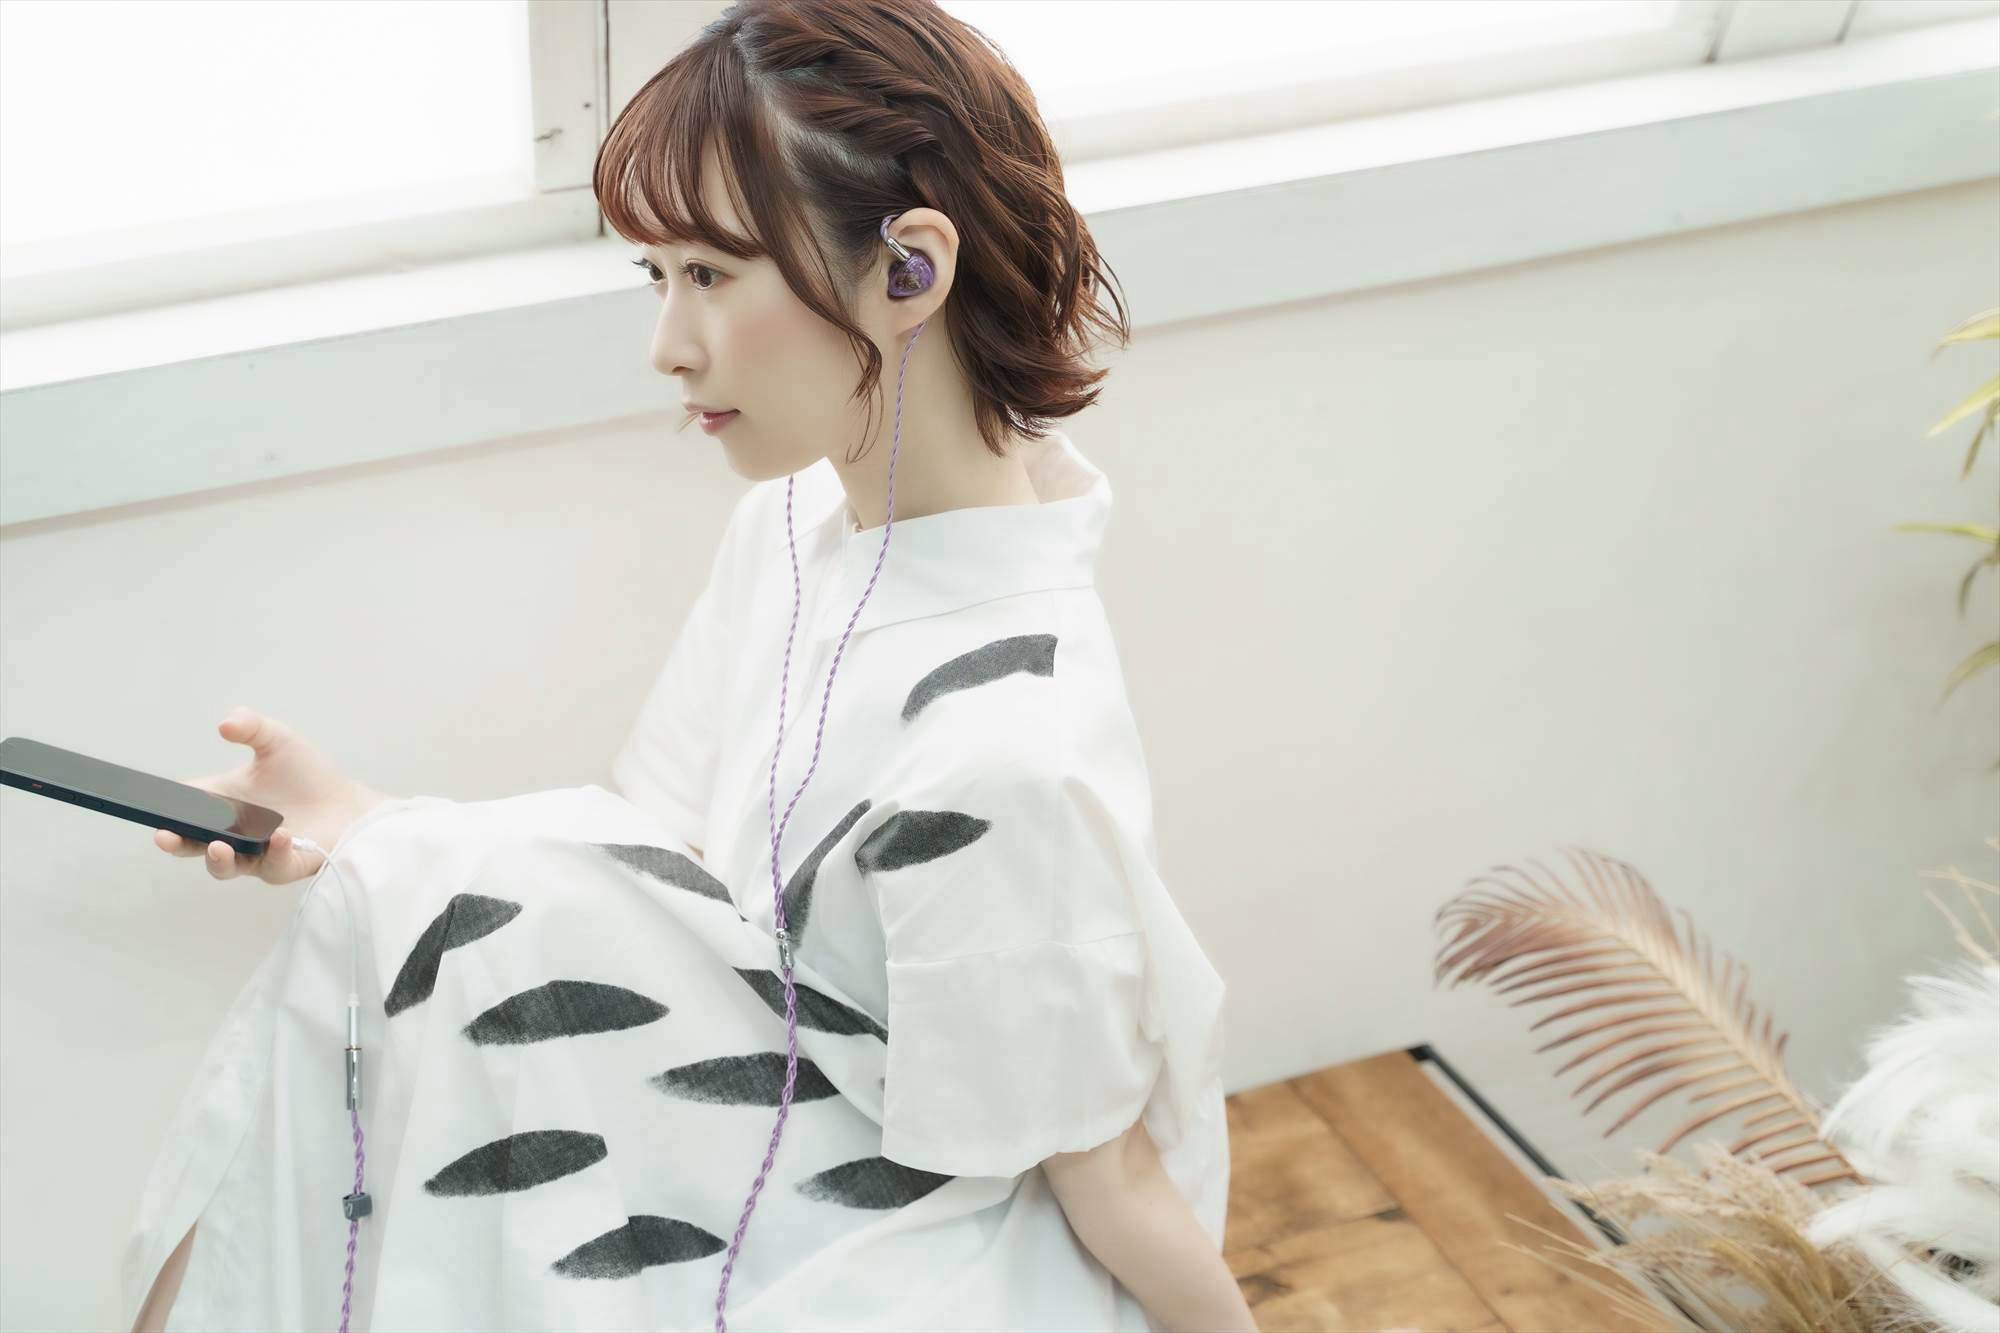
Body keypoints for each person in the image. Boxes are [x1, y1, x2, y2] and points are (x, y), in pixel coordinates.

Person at [125, 2, 1249, 1329]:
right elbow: (657, 868)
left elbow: (1104, 1177)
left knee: (383, 981)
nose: (667, 344)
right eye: (654, 277)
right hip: (739, 1129)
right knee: (372, 931)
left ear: (909, 271)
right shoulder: (790, 527)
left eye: (709, 274)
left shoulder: (1002, 749)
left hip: (912, 1255)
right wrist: (365, 833)